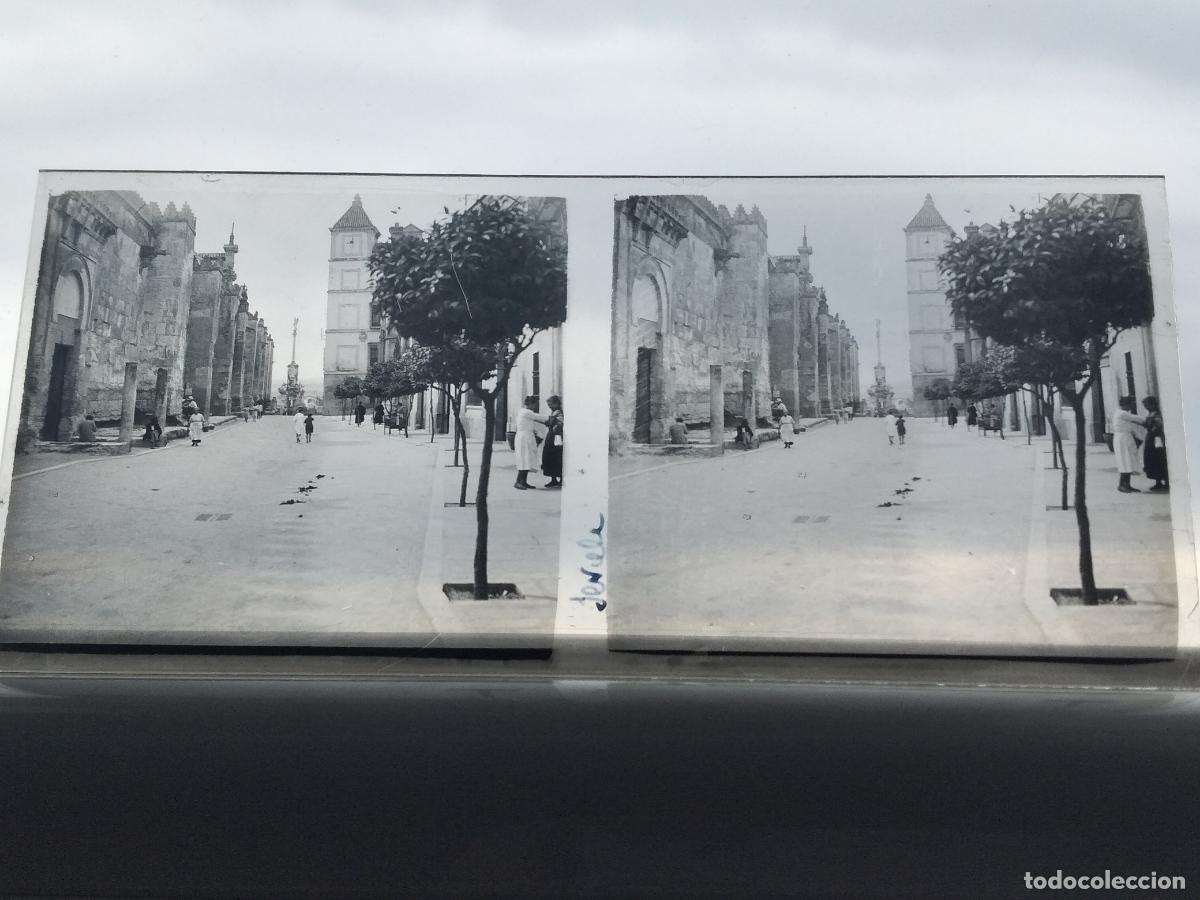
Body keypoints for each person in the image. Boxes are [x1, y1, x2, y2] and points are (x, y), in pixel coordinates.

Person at [514, 396, 550, 490]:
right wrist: (550, 418)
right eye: (534, 404)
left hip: (527, 436)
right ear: (530, 404)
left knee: (527, 459)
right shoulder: (526, 412)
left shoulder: (525, 412)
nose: (535, 406)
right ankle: (518, 482)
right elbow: (539, 417)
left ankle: (523, 481)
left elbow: (536, 421)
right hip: (524, 437)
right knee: (524, 458)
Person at [1112, 396, 1146, 493]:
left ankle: (1127, 484)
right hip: (1122, 438)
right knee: (1125, 460)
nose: (1132, 406)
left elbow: (1132, 424)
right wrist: (1146, 420)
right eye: (1131, 404)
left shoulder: (1123, 413)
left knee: (1129, 460)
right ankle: (1122, 485)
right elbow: (1135, 419)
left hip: (1125, 437)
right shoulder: (1122, 413)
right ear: (1125, 404)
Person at [1142, 396, 1168, 492]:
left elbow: (1159, 426)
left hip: (1156, 438)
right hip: (1150, 438)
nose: (1146, 407)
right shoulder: (1150, 414)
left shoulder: (1157, 415)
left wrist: (1152, 430)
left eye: (1147, 405)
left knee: (1159, 458)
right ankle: (1158, 481)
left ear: (1153, 404)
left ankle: (1166, 481)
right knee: (1152, 459)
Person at [541, 395, 564, 488]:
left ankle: (560, 479)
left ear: (557, 403)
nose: (549, 406)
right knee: (550, 457)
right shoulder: (554, 412)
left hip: (557, 437)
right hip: (551, 436)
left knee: (558, 458)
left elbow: (560, 424)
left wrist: (553, 423)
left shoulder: (559, 413)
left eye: (551, 404)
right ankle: (553, 479)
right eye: (548, 405)